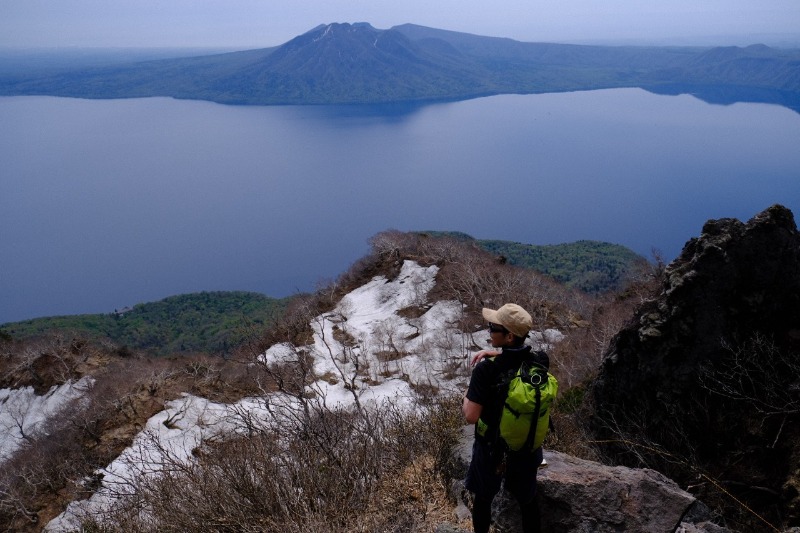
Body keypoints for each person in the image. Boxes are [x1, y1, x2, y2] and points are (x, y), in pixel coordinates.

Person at [462, 303, 549, 533]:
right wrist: (496, 352)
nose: (489, 331)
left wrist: (467, 394)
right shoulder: (539, 361)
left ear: (509, 336)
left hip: (491, 449)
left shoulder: (485, 371)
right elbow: (517, 357)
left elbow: (471, 417)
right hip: (527, 448)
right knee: (527, 501)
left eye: (493, 327)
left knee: (483, 499)